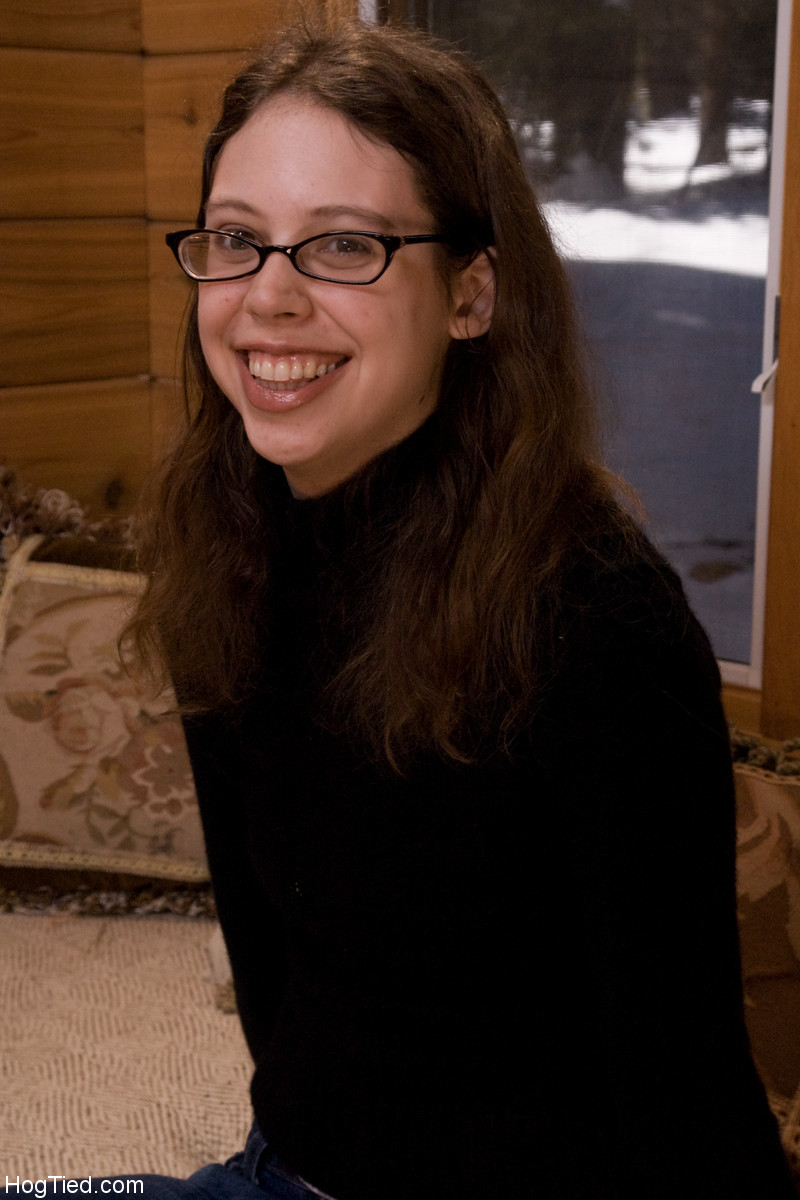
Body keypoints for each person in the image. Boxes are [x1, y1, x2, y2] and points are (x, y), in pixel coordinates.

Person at [12, 16, 795, 1200]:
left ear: (470, 294)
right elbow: (270, 956)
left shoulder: (597, 621)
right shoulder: (228, 544)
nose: (268, 298)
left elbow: (683, 1089)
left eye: (344, 245)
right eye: (238, 239)